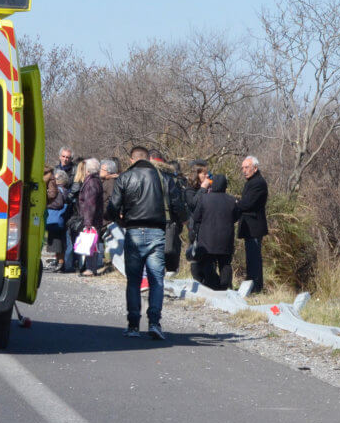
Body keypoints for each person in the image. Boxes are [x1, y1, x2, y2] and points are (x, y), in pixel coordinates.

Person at [106, 145, 187, 340]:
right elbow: (179, 208)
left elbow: (111, 209)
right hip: (157, 233)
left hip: (133, 232)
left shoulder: (124, 178)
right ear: (149, 159)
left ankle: (133, 325)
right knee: (156, 280)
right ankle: (155, 323)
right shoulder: (164, 179)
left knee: (133, 281)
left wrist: (121, 220)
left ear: (132, 160)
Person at [191, 173, 239, 290]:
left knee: (208, 264)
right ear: (225, 186)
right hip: (226, 238)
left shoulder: (204, 199)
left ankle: (212, 286)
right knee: (225, 264)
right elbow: (236, 216)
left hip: (207, 239)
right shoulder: (232, 200)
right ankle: (225, 287)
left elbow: (196, 217)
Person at [238, 155, 269, 294]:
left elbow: (248, 203)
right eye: (243, 168)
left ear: (255, 168)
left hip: (254, 227)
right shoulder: (251, 182)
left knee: (254, 259)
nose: (244, 170)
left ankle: (256, 288)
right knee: (251, 258)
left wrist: (235, 203)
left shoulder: (258, 183)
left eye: (247, 167)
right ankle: (252, 286)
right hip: (249, 227)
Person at [76, 157, 104, 277]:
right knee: (91, 243)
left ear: (88, 169)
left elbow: (90, 204)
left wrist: (88, 222)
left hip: (91, 219)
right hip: (93, 218)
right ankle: (89, 267)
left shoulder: (91, 182)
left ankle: (90, 268)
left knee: (90, 243)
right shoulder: (95, 181)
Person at [45, 168, 72, 272]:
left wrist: (47, 204)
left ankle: (60, 263)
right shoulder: (64, 190)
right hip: (60, 219)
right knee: (59, 241)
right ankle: (59, 262)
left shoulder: (59, 190)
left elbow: (58, 204)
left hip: (56, 220)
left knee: (57, 241)